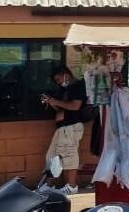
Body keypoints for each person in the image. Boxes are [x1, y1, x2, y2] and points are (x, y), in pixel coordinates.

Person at [39, 66, 87, 195]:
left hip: (71, 126)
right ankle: (49, 185)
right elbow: (61, 106)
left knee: (69, 155)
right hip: (62, 127)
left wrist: (56, 101)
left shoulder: (78, 86)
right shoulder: (63, 89)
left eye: (59, 79)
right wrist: (51, 101)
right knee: (52, 157)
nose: (59, 83)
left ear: (66, 75)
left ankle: (72, 186)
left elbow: (75, 106)